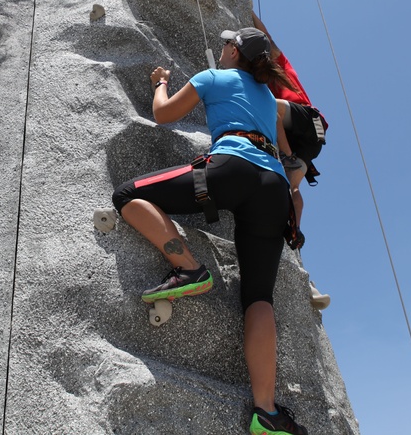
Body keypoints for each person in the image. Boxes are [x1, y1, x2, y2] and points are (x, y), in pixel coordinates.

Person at [111, 27, 308, 435]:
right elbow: (294, 165)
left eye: (225, 44)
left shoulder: (212, 77)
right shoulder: (270, 101)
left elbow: (164, 114)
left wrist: (162, 83)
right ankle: (267, 413)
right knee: (259, 297)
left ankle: (188, 268)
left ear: (234, 51)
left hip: (231, 167)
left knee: (129, 195)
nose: (220, 49)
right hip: (274, 191)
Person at [250, 11, 330, 310]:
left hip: (307, 122)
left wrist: (249, 10)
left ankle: (289, 158)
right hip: (303, 145)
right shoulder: (262, 82)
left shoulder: (281, 68)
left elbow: (268, 38)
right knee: (289, 196)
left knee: (267, 107)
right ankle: (298, 258)